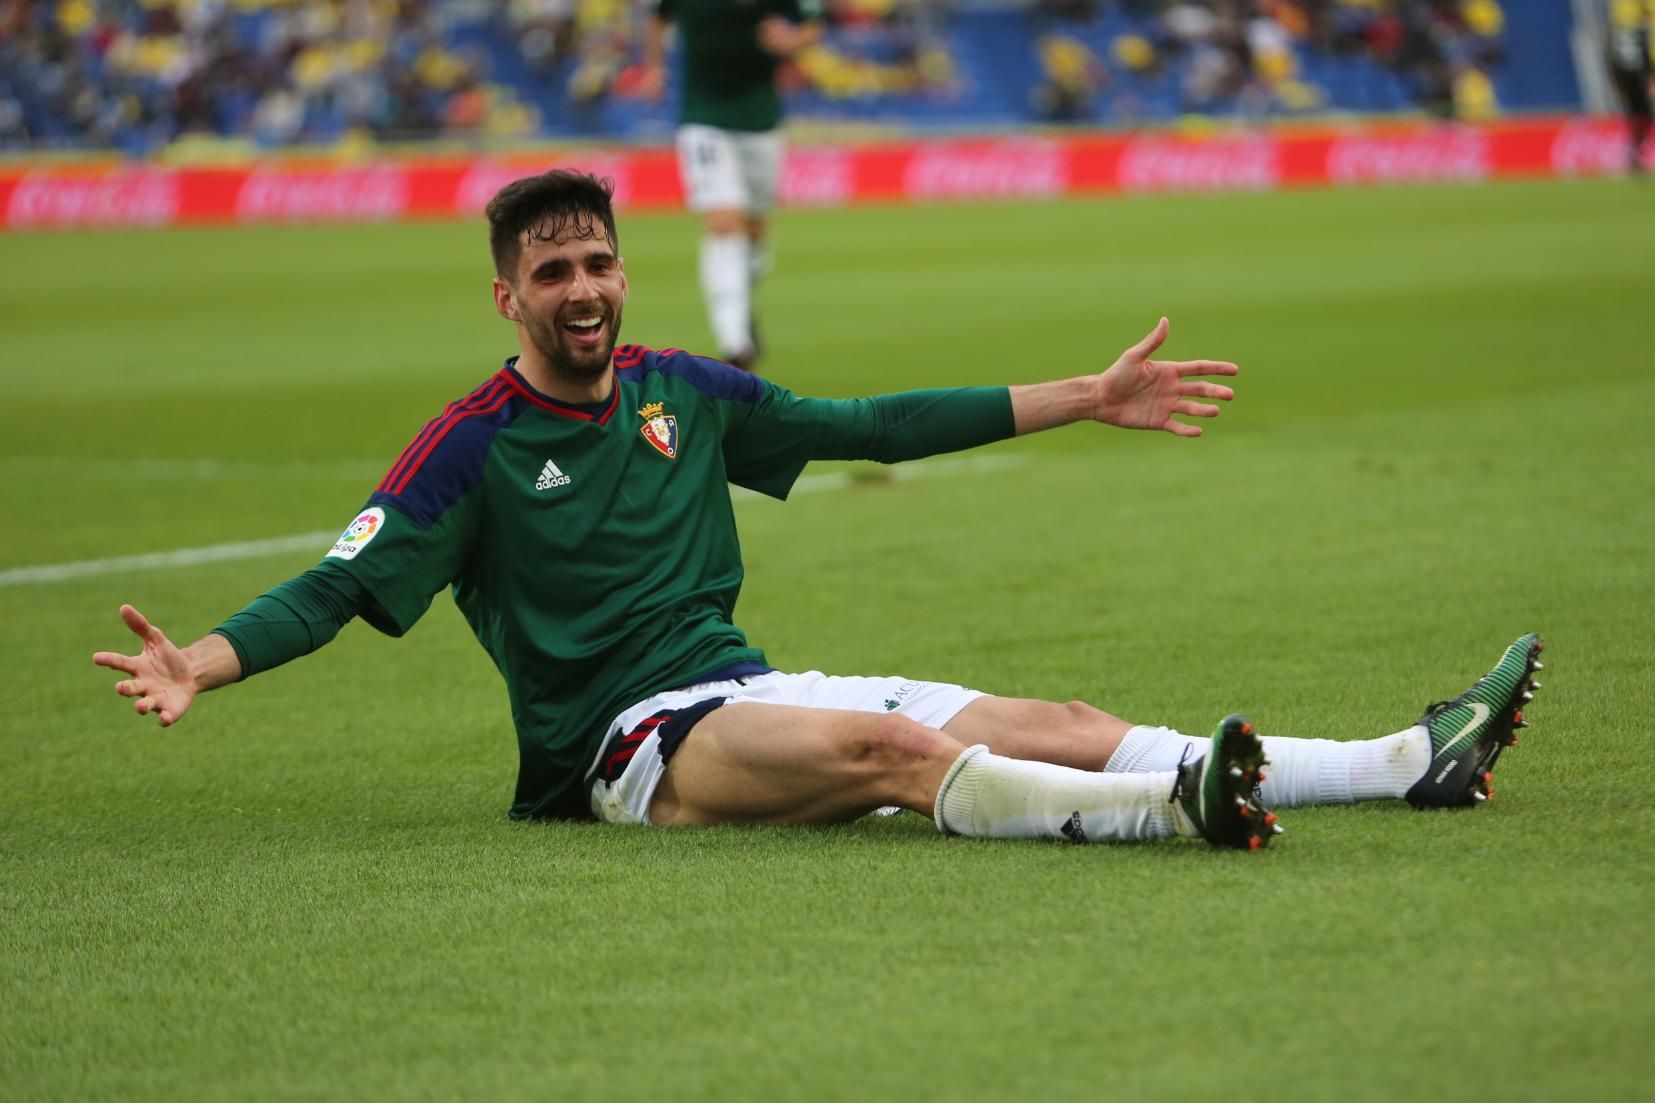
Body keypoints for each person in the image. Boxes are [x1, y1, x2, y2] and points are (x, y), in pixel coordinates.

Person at [94, 170, 1545, 850]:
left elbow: (868, 425)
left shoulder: (686, 391)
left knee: (1037, 713)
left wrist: (1083, 396)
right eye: (551, 274)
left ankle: (1395, 761)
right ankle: (1174, 810)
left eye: (597, 261)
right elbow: (337, 583)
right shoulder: (466, 451)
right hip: (628, 746)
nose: (584, 289)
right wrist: (202, 661)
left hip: (736, 684)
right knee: (888, 750)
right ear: (505, 296)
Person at [638, 0, 823, 371]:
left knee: (754, 230)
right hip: (703, 117)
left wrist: (792, 39)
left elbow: (812, 22)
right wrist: (654, 67)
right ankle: (735, 343)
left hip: (761, 120)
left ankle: (741, 300)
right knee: (723, 221)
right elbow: (658, 17)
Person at [1608, 0, 1653, 174]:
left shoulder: (1621, 23)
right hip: (1638, 68)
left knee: (1640, 113)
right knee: (1642, 112)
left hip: (1633, 68)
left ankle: (1636, 153)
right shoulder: (1632, 25)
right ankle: (1636, 154)